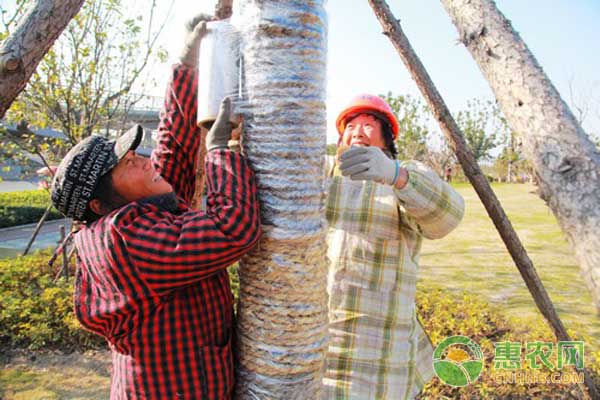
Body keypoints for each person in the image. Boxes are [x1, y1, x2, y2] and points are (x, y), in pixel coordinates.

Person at [50, 15, 260, 399]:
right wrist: (220, 153)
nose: (144, 161)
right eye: (127, 164)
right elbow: (232, 229)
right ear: (100, 203)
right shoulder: (124, 240)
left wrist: (187, 65)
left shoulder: (136, 213)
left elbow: (175, 147)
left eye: (134, 154)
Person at [322, 94, 465, 399]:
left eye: (369, 125)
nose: (358, 131)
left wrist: (395, 175)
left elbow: (448, 216)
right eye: (351, 125)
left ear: (386, 137)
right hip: (319, 345)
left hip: (380, 352)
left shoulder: (404, 177)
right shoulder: (321, 175)